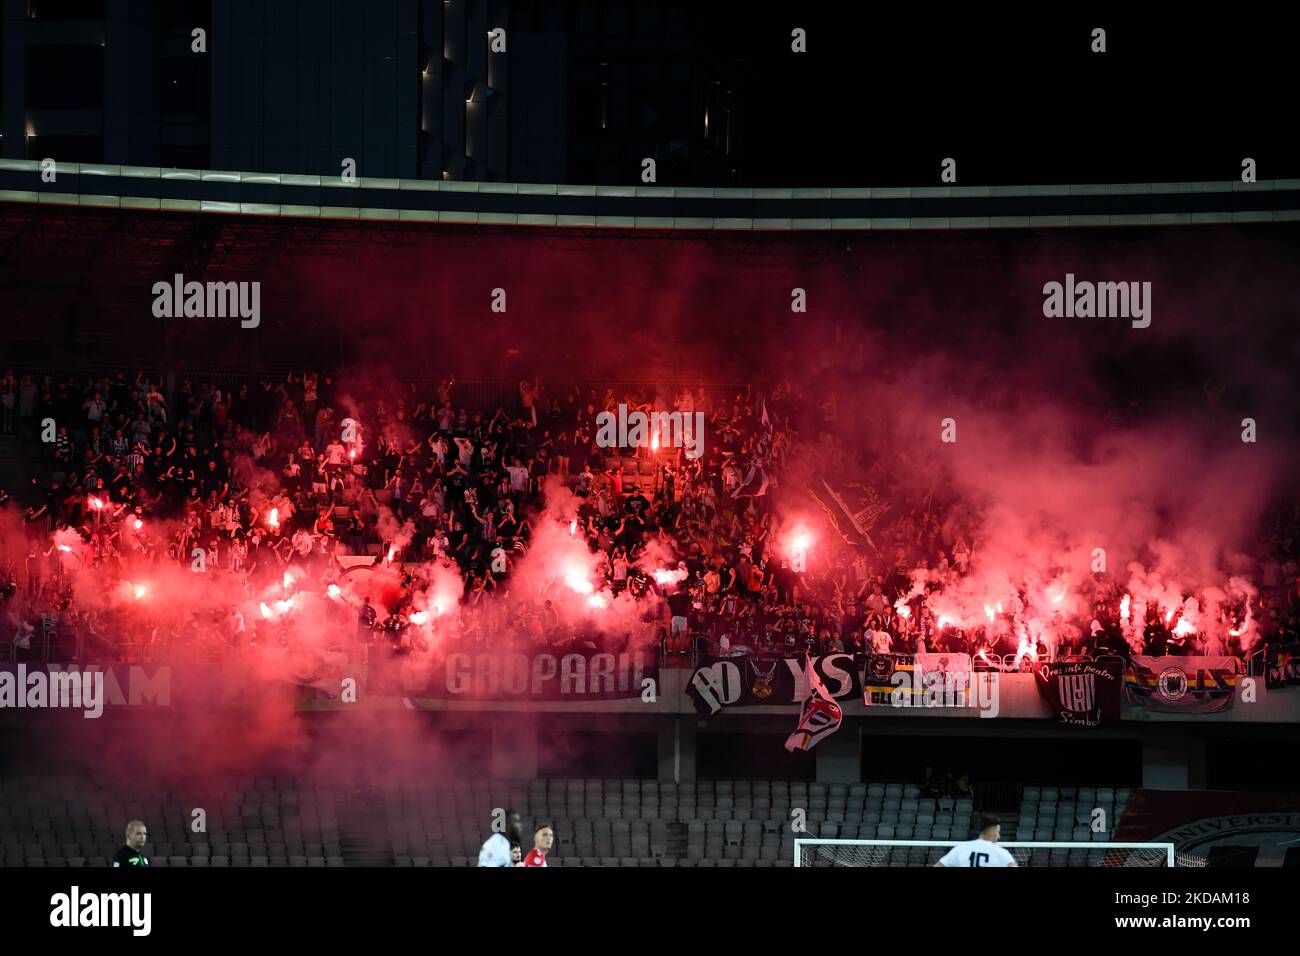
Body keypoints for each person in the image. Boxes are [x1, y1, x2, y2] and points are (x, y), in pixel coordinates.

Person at [931, 814, 1016, 867]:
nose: (999, 836)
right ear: (992, 832)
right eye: (998, 832)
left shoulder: (961, 849)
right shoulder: (1002, 853)